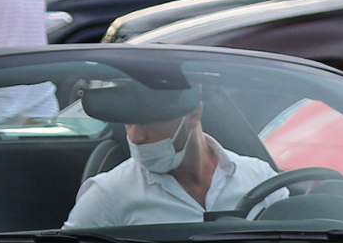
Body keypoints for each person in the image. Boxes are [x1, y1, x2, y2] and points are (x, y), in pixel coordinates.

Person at [66, 78, 286, 228]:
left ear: (193, 115)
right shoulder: (108, 194)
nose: (135, 137)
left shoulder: (259, 177)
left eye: (148, 122)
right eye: (128, 123)